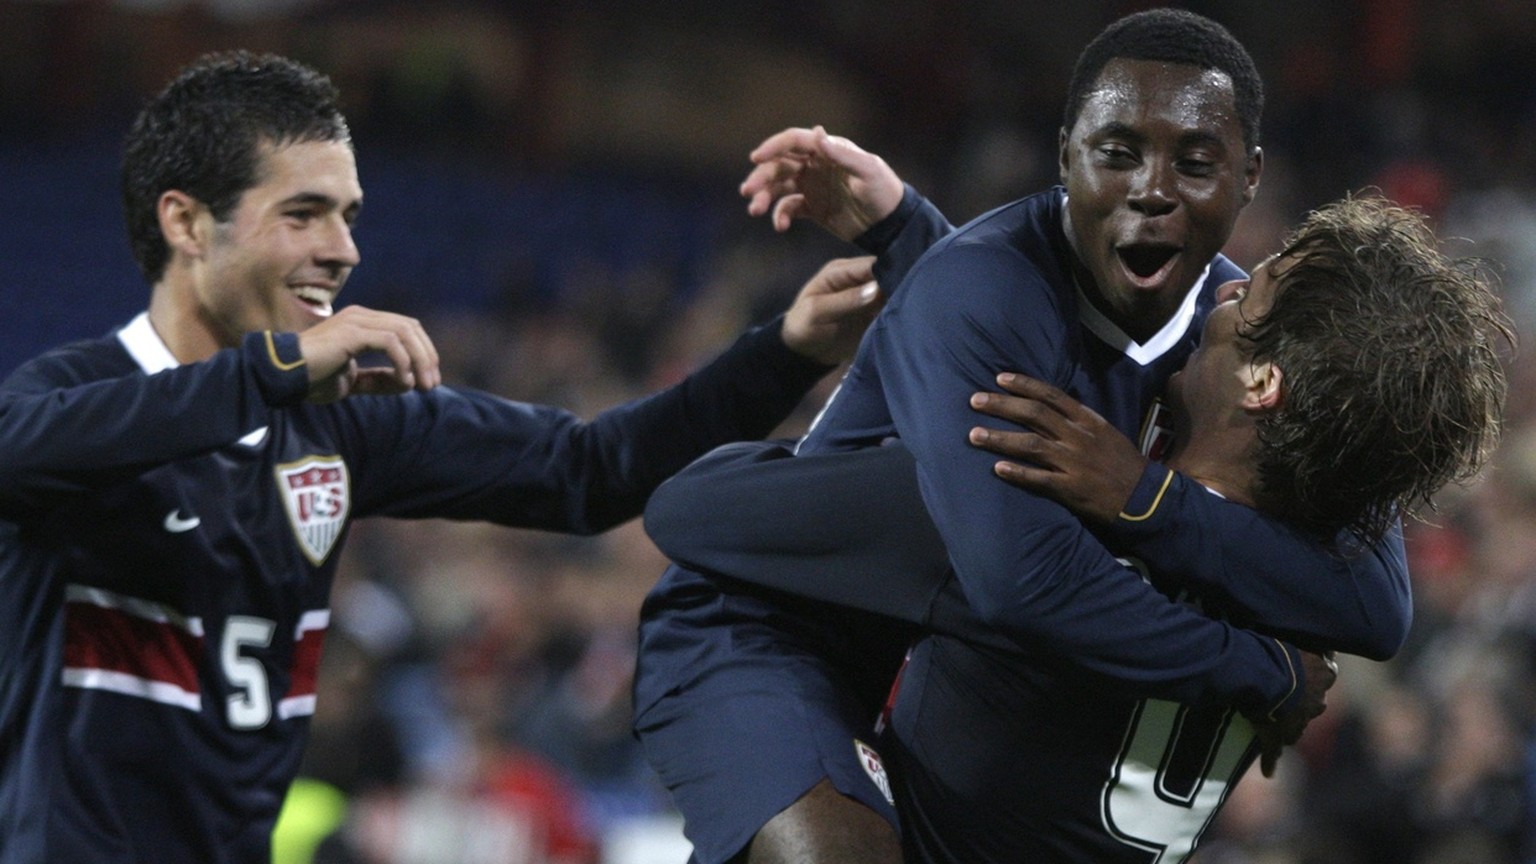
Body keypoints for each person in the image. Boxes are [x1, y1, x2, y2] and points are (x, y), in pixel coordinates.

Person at [0, 51, 882, 863]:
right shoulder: (75, 401)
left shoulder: (341, 421)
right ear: (188, 222)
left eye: (347, 217)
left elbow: (591, 471)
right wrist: (270, 372)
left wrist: (786, 351)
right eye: (302, 214)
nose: (343, 250)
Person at [631, 9, 1413, 864]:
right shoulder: (985, 289)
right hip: (777, 628)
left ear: (1250, 175)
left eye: (1195, 162)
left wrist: (1148, 502)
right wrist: (1261, 669)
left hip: (942, 652)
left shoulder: (1249, 330)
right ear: (1066, 152)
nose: (1153, 188)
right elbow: (1018, 582)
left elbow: (1375, 604)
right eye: (1117, 152)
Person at [648, 195, 1512, 861]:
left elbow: (692, 512)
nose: (1227, 283)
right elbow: (1381, 611)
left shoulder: (1026, 518)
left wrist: (1133, 498)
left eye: (1258, 289)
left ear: (1262, 383)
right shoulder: (1319, 585)